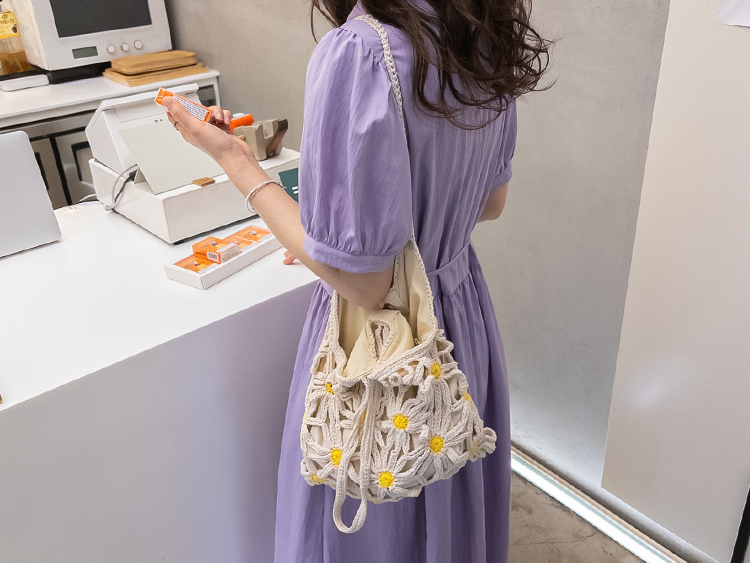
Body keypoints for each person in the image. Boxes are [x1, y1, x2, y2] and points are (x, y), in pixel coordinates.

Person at [164, 0, 549, 560]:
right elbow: (490, 203)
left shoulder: (361, 51)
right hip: (461, 318)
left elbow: (365, 286)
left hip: (383, 341)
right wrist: (342, 239)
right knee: (447, 493)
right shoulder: (482, 31)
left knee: (373, 508)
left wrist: (236, 161)